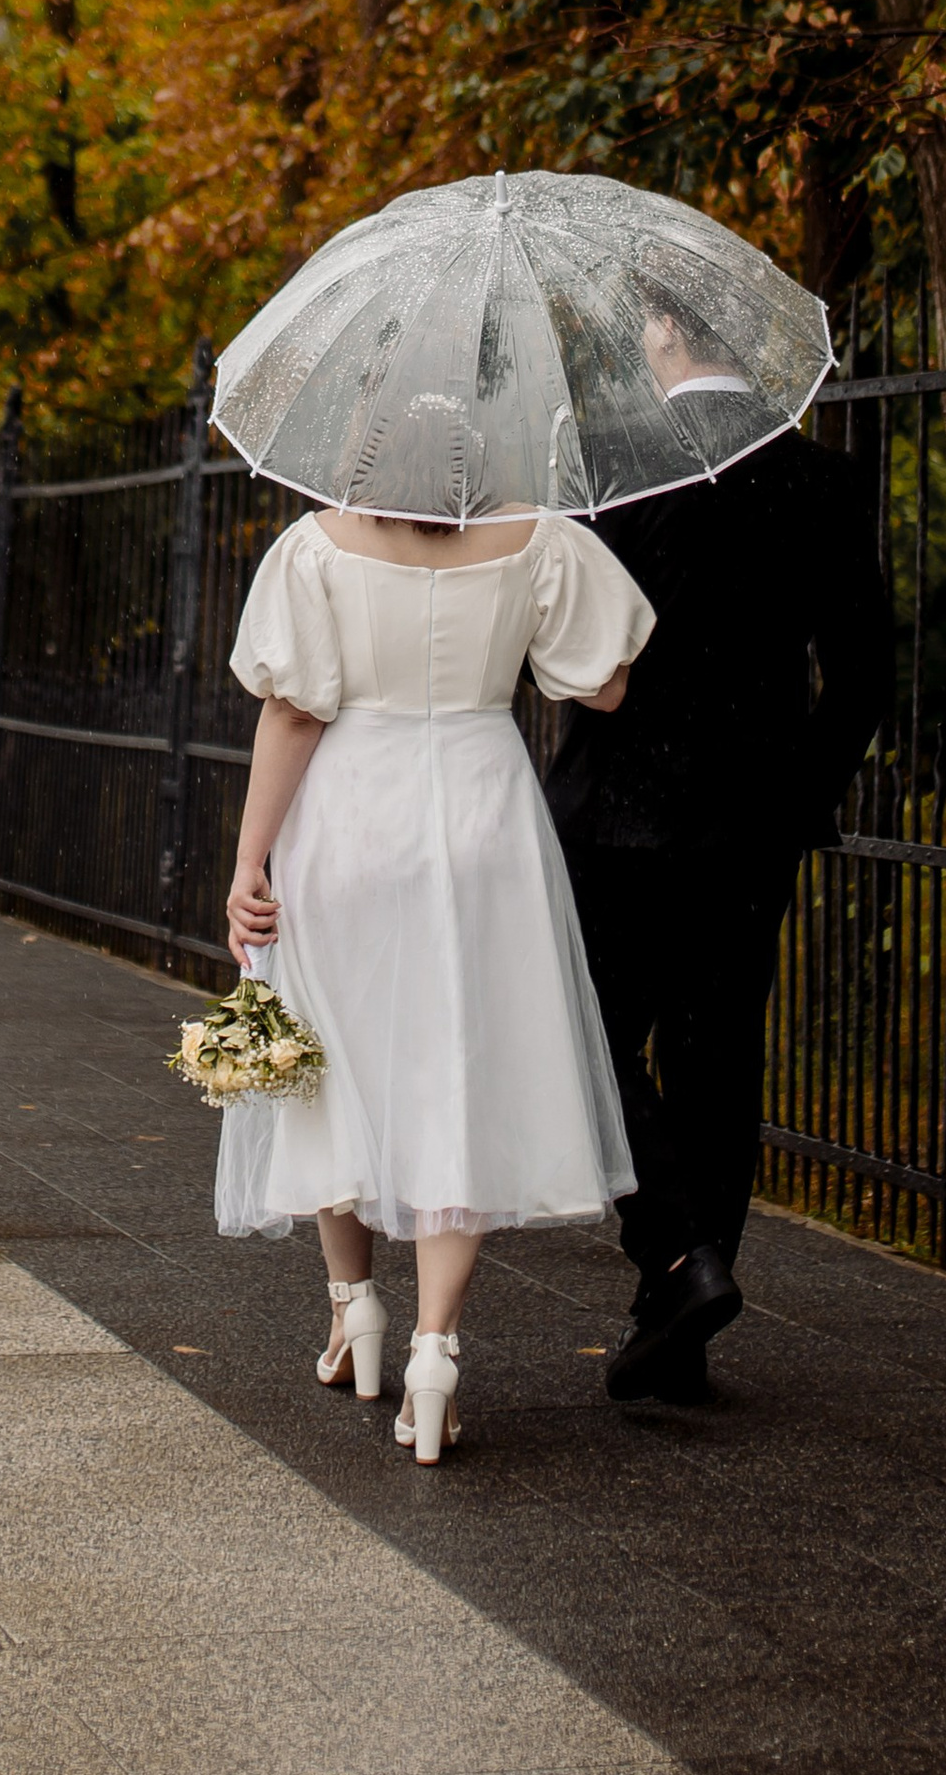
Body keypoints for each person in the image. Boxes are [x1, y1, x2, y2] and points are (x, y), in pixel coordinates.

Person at [219, 497, 654, 1461]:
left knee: (333, 1061)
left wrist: (251, 862)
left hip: (350, 816)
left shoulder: (314, 547)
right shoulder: (538, 538)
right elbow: (607, 687)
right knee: (454, 1069)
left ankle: (353, 1313)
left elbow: (292, 709)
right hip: (481, 816)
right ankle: (434, 1354)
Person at [549, 292, 893, 1408]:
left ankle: (675, 1257)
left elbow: (579, 646)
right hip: (753, 826)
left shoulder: (617, 465)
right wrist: (799, 793)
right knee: (716, 1055)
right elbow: (864, 679)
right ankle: (683, 1325)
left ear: (665, 331)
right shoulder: (825, 479)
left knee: (588, 1037)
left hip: (617, 816)